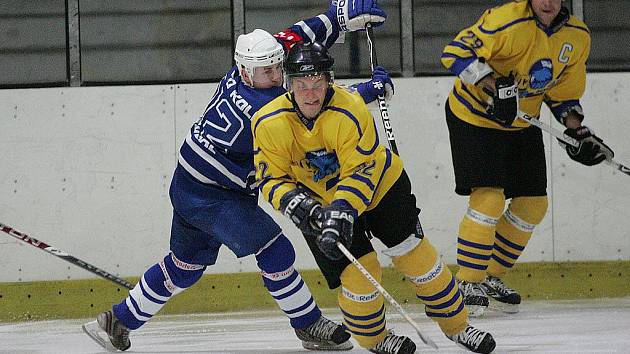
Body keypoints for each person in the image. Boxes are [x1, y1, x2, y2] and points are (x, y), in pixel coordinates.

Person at [81, 1, 394, 351]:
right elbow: (314, 100)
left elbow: (294, 37)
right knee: (276, 251)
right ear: (247, 74)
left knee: (185, 267)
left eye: (277, 67)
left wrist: (338, 17)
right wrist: (367, 92)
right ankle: (308, 325)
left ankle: (116, 321)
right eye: (269, 72)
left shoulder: (248, 65)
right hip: (214, 196)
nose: (277, 75)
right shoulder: (263, 107)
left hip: (189, 184)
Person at [253, 42, 496, 354]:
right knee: (359, 275)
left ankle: (458, 327)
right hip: (320, 207)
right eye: (301, 85)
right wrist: (301, 207)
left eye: (317, 84)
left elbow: (361, 172)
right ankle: (376, 340)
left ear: (329, 81)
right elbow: (270, 177)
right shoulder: (267, 122)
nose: (310, 94)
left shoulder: (350, 109)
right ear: (288, 85)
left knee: (416, 256)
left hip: (381, 188)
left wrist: (341, 210)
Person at [440, 0, 614, 317]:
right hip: (474, 118)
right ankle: (467, 283)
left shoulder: (577, 36)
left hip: (522, 121)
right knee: (489, 199)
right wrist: (492, 86)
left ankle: (490, 276)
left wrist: (578, 131)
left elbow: (563, 95)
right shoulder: (504, 21)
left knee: (533, 204)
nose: (547, 2)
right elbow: (454, 52)